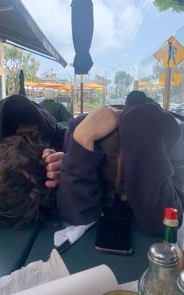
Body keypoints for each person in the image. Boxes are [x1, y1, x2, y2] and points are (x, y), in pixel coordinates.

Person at [58, 90, 184, 236]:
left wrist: (146, 162)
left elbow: (163, 223)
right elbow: (74, 211)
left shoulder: (175, 142)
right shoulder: (79, 131)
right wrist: (83, 137)